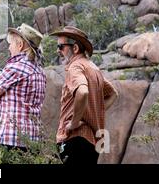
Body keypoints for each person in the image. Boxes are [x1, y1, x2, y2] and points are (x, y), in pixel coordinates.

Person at [0, 24, 46, 151]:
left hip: (8, 140)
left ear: (20, 45)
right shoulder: (39, 71)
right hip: (32, 142)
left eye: (10, 44)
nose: (9, 48)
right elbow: (9, 92)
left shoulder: (16, 67)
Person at [50, 26, 118, 165]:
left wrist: (74, 122)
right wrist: (92, 112)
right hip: (92, 142)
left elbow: (82, 91)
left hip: (74, 139)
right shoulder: (93, 68)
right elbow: (113, 94)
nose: (58, 51)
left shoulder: (75, 67)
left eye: (61, 47)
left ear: (75, 48)